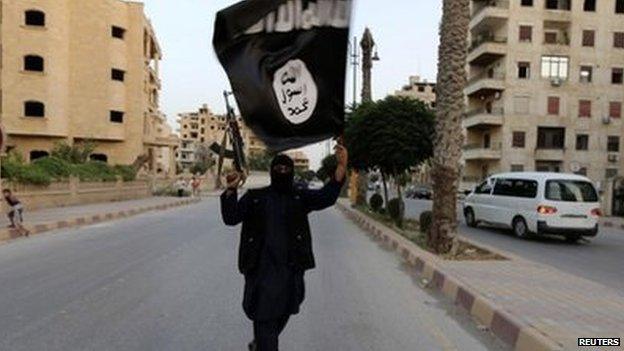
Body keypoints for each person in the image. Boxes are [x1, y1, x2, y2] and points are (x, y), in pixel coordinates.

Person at [221, 144, 348, 351]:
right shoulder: (256, 197)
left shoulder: (299, 197)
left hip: (290, 269)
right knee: (265, 319)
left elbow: (326, 197)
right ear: (272, 171)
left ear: (292, 172)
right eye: (278, 169)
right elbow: (231, 217)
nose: (282, 173)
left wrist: (341, 166)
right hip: (261, 271)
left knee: (288, 307)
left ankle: (261, 342)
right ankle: (263, 343)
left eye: (286, 169)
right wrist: (231, 189)